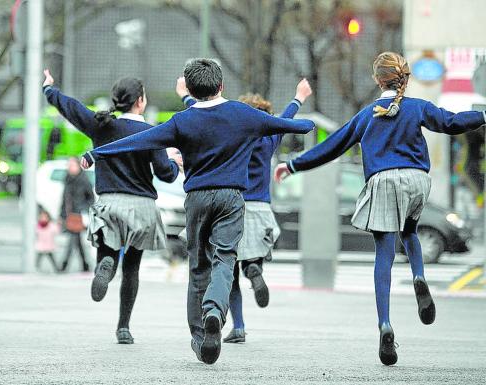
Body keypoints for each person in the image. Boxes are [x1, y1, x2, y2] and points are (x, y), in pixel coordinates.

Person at [81, 59, 315, 364]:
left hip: (196, 200)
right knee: (225, 259)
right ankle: (215, 310)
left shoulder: (182, 121)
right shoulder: (243, 114)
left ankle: (199, 335)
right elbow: (292, 125)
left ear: (189, 89)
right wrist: (303, 119)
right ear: (221, 86)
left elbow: (136, 141)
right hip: (232, 198)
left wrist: (94, 153)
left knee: (198, 266)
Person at [274, 51, 486, 366]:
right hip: (417, 181)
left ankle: (385, 324)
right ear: (405, 78)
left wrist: (292, 165)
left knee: (384, 254)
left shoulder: (367, 115)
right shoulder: (417, 108)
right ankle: (418, 275)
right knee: (410, 231)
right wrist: (482, 116)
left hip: (384, 182)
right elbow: (452, 122)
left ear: (377, 80)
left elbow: (333, 146)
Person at [42, 70, 182, 344]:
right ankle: (124, 327)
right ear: (140, 101)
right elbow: (165, 174)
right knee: (132, 268)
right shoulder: (151, 132)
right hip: (142, 207)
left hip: (110, 203)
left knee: (109, 250)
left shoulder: (101, 125)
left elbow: (72, 108)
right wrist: (175, 164)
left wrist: (49, 90)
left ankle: (105, 264)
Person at [176, 79, 313, 344]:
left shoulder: (231, 134)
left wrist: (185, 95)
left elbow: (199, 113)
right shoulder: (269, 137)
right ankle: (255, 269)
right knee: (253, 254)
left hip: (232, 203)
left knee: (227, 269)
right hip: (260, 208)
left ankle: (238, 326)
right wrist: (298, 97)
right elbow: (287, 118)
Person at [59, 157, 94, 273]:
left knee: (73, 239)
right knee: (77, 241)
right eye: (69, 165)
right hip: (70, 215)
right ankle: (85, 265)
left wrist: (82, 208)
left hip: (79, 216)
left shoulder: (83, 180)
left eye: (72, 165)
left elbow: (91, 199)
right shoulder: (67, 179)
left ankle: (64, 264)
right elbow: (64, 199)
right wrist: (62, 215)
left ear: (78, 166)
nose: (70, 167)